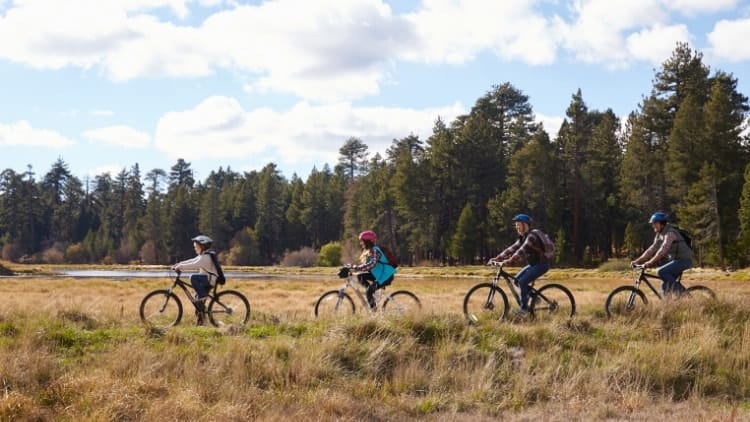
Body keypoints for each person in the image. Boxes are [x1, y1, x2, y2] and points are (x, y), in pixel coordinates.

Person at [489, 213, 551, 316]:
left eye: (519, 224)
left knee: (522, 282)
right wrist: (497, 258)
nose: (517, 226)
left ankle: (524, 309)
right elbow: (512, 248)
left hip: (541, 265)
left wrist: (510, 260)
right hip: (533, 264)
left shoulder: (531, 236)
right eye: (516, 224)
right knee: (517, 281)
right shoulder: (523, 237)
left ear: (525, 225)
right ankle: (535, 297)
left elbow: (521, 251)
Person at [630, 212, 692, 296]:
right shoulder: (660, 234)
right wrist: (637, 261)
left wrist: (650, 262)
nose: (653, 226)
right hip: (676, 260)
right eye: (652, 223)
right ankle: (668, 306)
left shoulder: (670, 233)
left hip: (684, 260)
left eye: (655, 223)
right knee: (665, 285)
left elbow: (662, 250)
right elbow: (651, 249)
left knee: (660, 271)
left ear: (662, 223)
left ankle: (685, 294)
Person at [171, 235, 220, 325]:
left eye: (196, 246)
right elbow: (192, 261)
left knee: (193, 277)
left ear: (202, 246)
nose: (195, 248)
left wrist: (180, 267)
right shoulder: (203, 255)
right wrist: (179, 264)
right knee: (198, 303)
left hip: (209, 280)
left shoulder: (206, 258)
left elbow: (194, 265)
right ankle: (200, 323)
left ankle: (203, 296)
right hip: (205, 279)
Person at [349, 230, 397, 310]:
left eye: (362, 241)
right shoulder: (370, 251)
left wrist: (357, 268)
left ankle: (373, 313)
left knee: (369, 292)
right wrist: (354, 267)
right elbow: (366, 265)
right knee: (360, 276)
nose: (361, 243)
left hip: (386, 277)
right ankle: (372, 293)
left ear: (368, 241)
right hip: (379, 275)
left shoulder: (375, 250)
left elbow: (372, 264)